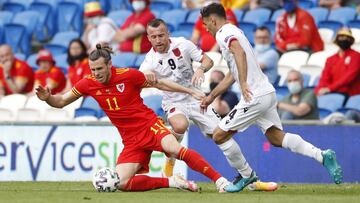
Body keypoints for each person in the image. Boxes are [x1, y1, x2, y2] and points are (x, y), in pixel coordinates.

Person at [35, 43, 230, 192]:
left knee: (174, 149)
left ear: (109, 64)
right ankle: (173, 181)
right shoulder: (88, 83)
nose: (96, 74)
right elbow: (61, 102)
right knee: (122, 183)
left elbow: (161, 84)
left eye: (100, 69)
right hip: (131, 140)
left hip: (149, 126)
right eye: (93, 70)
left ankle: (220, 181)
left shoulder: (128, 75)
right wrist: (48, 98)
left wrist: (190, 91)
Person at [200, 3, 343, 193]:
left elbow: (239, 54)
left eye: (205, 23)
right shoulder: (235, 31)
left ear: (213, 19)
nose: (205, 28)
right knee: (276, 138)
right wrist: (212, 96)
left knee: (219, 135)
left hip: (254, 96)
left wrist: (243, 84)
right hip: (266, 92)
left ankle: (246, 175)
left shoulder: (223, 32)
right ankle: (322, 156)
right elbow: (233, 73)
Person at [140, 19, 276, 192]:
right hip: (174, 102)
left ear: (168, 34)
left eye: (161, 35)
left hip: (198, 100)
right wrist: (150, 77)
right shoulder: (149, 62)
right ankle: (170, 161)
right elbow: (153, 82)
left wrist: (200, 69)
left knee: (223, 137)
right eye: (154, 37)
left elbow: (208, 60)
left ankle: (250, 179)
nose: (158, 40)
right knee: (180, 125)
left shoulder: (183, 44)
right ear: (149, 38)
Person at [315, 28, 360, 97]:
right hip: (332, 93)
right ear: (337, 39)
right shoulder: (330, 59)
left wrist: (329, 88)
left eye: (347, 37)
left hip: (350, 95)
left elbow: (348, 77)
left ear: (351, 40)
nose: (344, 39)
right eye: (342, 37)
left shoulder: (356, 56)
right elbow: (324, 78)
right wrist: (318, 90)